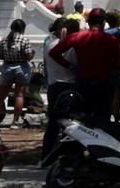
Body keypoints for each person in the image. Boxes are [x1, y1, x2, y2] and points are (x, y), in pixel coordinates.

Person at [42, 17, 81, 159]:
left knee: (53, 123)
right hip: (70, 85)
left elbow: (46, 65)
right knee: (72, 123)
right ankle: (68, 156)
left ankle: (45, 155)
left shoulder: (48, 43)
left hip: (54, 85)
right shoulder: (72, 46)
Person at [0, 18, 36, 127]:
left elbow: (0, 56)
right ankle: (15, 122)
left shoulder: (4, 40)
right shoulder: (24, 40)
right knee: (19, 95)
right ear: (23, 29)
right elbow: (28, 56)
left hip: (7, 67)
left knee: (0, 97)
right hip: (21, 68)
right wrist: (32, 53)